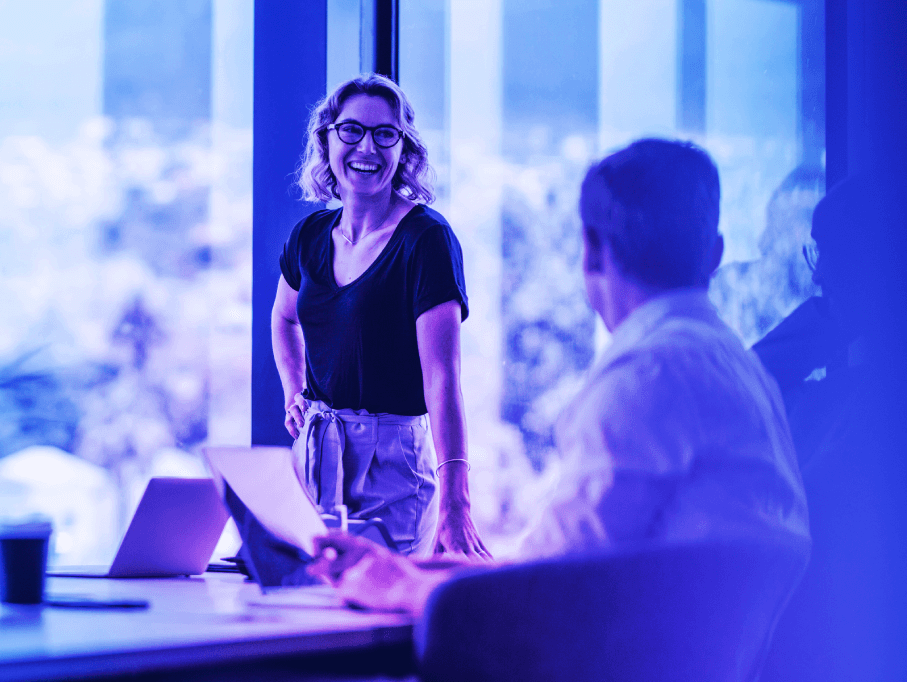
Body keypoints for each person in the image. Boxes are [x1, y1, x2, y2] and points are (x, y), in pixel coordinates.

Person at [311, 139, 810, 613]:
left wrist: (397, 588)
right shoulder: (741, 373)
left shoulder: (645, 381)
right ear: (714, 255)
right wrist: (411, 571)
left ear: (590, 251)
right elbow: (561, 564)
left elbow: (542, 596)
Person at [272, 74, 488, 557]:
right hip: (313, 455)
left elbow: (443, 379)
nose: (366, 147)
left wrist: (458, 503)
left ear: (403, 148)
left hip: (392, 464)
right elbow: (284, 319)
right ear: (326, 139)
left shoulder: (425, 240)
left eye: (384, 134)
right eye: (351, 130)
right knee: (308, 613)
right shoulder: (308, 236)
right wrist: (293, 389)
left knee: (381, 620)